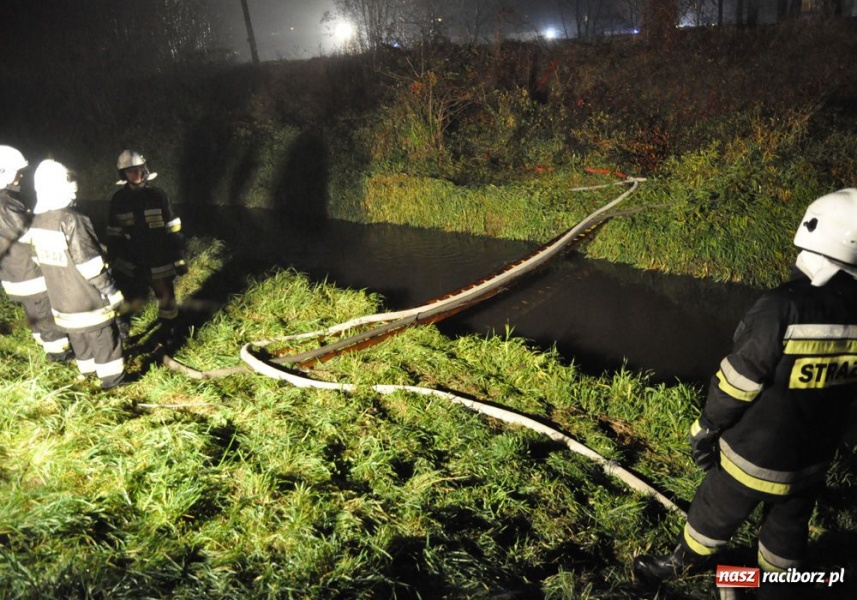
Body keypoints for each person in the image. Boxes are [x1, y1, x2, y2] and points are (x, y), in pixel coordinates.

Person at [633, 188, 857, 591]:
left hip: (754, 455)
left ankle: (678, 566)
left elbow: (738, 381)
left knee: (713, 512)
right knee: (788, 532)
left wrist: (707, 427)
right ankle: (776, 590)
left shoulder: (781, 306)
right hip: (813, 460)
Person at [27, 159, 126, 390]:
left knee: (79, 338)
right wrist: (110, 291)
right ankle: (113, 383)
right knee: (103, 338)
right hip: (87, 299)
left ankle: (88, 374)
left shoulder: (38, 221)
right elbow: (89, 264)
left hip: (61, 301)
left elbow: (37, 259)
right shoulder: (73, 219)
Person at [0, 145, 73, 362]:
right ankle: (59, 355)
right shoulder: (5, 202)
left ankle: (43, 341)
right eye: (18, 172)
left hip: (14, 271)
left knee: (34, 310)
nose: (22, 176)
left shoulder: (6, 199)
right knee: (44, 311)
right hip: (27, 271)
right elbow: (25, 233)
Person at [106, 149, 186, 340]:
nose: (138, 174)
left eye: (141, 169)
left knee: (165, 294)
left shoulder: (159, 195)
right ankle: (122, 335)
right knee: (126, 296)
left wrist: (178, 256)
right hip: (130, 258)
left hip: (159, 255)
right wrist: (113, 260)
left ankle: (169, 331)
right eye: (132, 171)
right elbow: (113, 233)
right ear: (123, 174)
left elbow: (173, 227)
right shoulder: (119, 200)